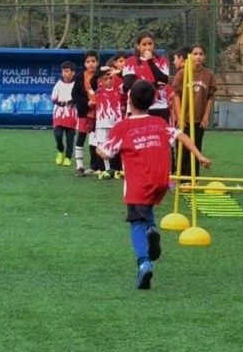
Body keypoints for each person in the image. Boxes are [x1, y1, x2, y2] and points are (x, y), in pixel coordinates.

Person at [97, 80, 211, 290]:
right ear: (152, 102)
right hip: (161, 182)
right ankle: (152, 229)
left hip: (138, 184)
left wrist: (98, 147)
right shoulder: (159, 123)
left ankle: (144, 264)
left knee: (136, 223)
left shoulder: (123, 126)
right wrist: (199, 156)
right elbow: (181, 135)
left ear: (129, 100)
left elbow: (105, 153)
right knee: (146, 210)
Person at [169, 44, 217, 177]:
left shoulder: (208, 74)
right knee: (183, 150)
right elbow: (176, 96)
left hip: (198, 119)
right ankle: (182, 179)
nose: (198, 57)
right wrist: (179, 116)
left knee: (196, 148)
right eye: (195, 54)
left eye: (201, 54)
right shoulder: (182, 73)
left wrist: (206, 116)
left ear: (205, 57)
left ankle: (193, 179)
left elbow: (210, 97)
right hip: (184, 119)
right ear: (189, 56)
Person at [121, 32, 171, 122]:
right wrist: (154, 84)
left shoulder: (162, 61)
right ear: (138, 46)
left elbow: (163, 80)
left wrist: (150, 61)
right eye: (144, 44)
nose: (147, 47)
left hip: (159, 107)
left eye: (150, 44)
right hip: (137, 108)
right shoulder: (130, 62)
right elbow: (129, 84)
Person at [69, 50, 99, 176]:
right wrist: (86, 103)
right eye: (88, 62)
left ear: (97, 62)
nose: (91, 64)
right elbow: (74, 95)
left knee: (96, 139)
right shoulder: (80, 77)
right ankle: (79, 167)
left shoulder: (102, 76)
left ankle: (95, 166)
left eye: (93, 61)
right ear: (84, 64)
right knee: (81, 137)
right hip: (84, 112)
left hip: (99, 113)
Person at [93, 64, 125, 179]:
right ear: (101, 81)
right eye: (105, 79)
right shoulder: (98, 91)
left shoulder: (118, 90)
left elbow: (128, 83)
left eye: (110, 78)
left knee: (118, 146)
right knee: (103, 145)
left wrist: (118, 72)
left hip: (116, 123)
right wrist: (101, 70)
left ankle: (119, 169)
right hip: (102, 123)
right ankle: (108, 169)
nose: (109, 81)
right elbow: (92, 80)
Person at [50, 61, 78, 167]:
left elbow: (78, 98)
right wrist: (59, 102)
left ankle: (68, 157)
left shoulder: (76, 84)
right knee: (58, 135)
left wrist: (70, 102)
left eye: (66, 71)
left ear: (73, 72)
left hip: (71, 113)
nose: (64, 74)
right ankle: (60, 150)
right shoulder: (58, 84)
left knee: (70, 138)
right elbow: (53, 97)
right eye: (63, 71)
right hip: (59, 113)